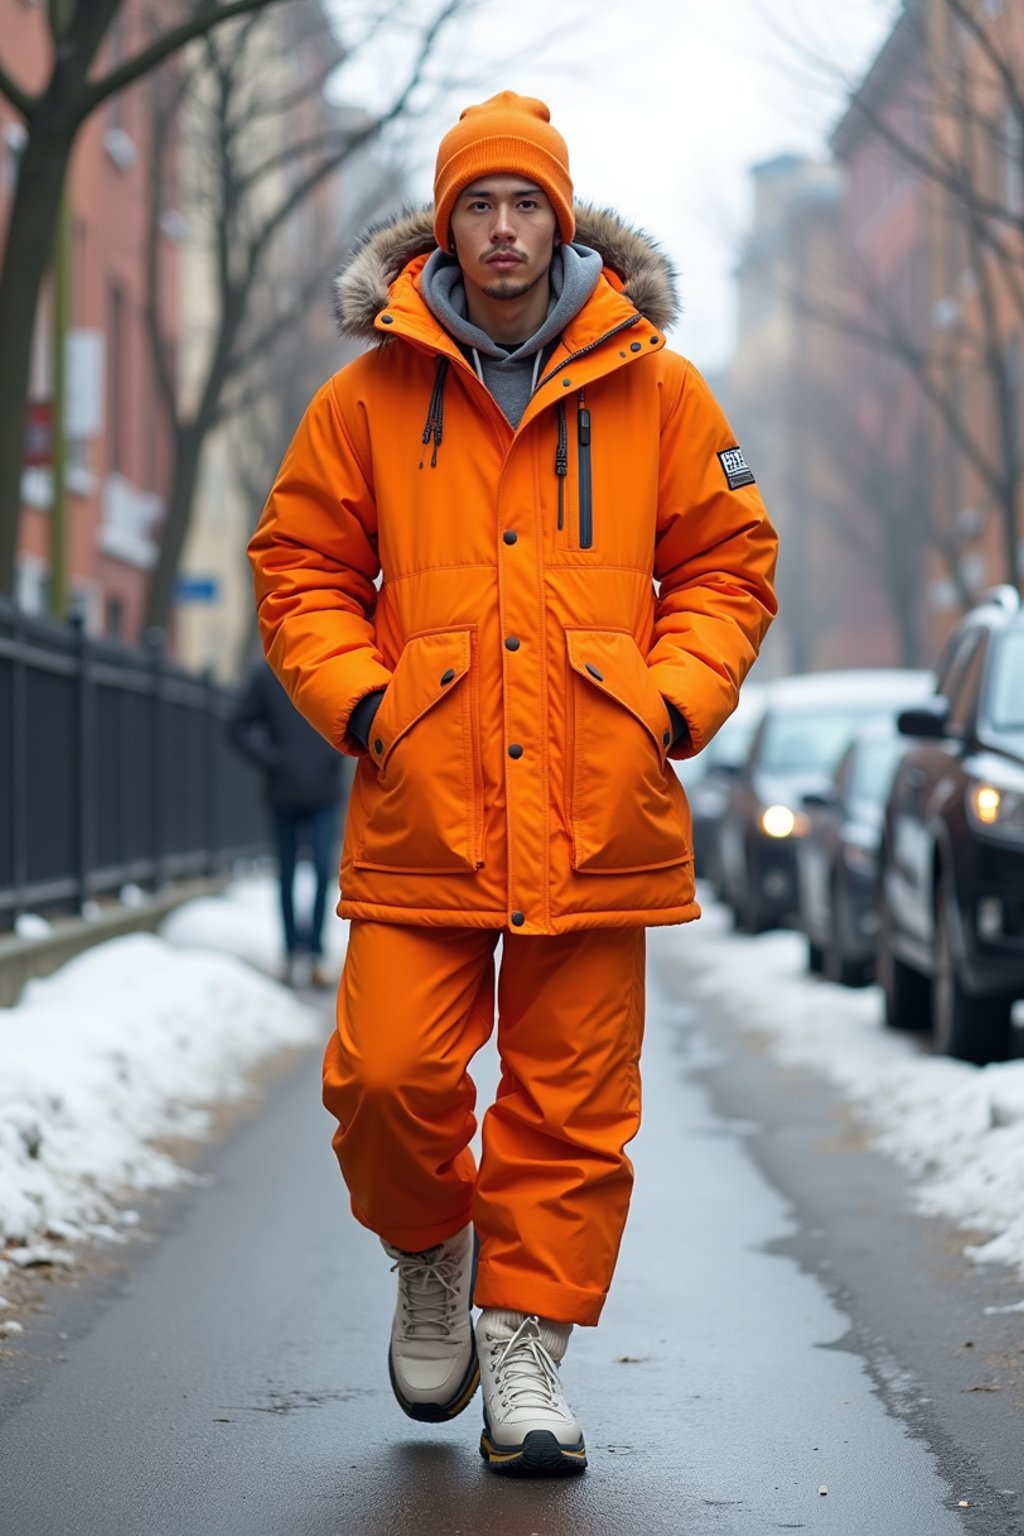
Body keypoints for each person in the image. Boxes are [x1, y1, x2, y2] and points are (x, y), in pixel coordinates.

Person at [248, 91, 778, 1477]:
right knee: (386, 1076)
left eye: (523, 203)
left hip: (600, 806)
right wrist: (364, 701)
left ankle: (527, 1352)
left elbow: (730, 564)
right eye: (476, 205)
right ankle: (430, 1249)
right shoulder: (369, 395)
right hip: (425, 795)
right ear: (445, 224)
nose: (501, 230)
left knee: (571, 1101)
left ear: (560, 217)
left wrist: (667, 703)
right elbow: (299, 568)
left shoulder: (655, 384)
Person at [228, 659, 349, 987]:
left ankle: (315, 953)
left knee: (323, 873)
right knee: (287, 874)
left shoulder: (328, 668)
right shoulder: (268, 676)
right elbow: (236, 726)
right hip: (284, 793)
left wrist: (332, 755)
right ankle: (291, 951)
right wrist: (272, 760)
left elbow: (350, 712)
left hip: (322, 792)